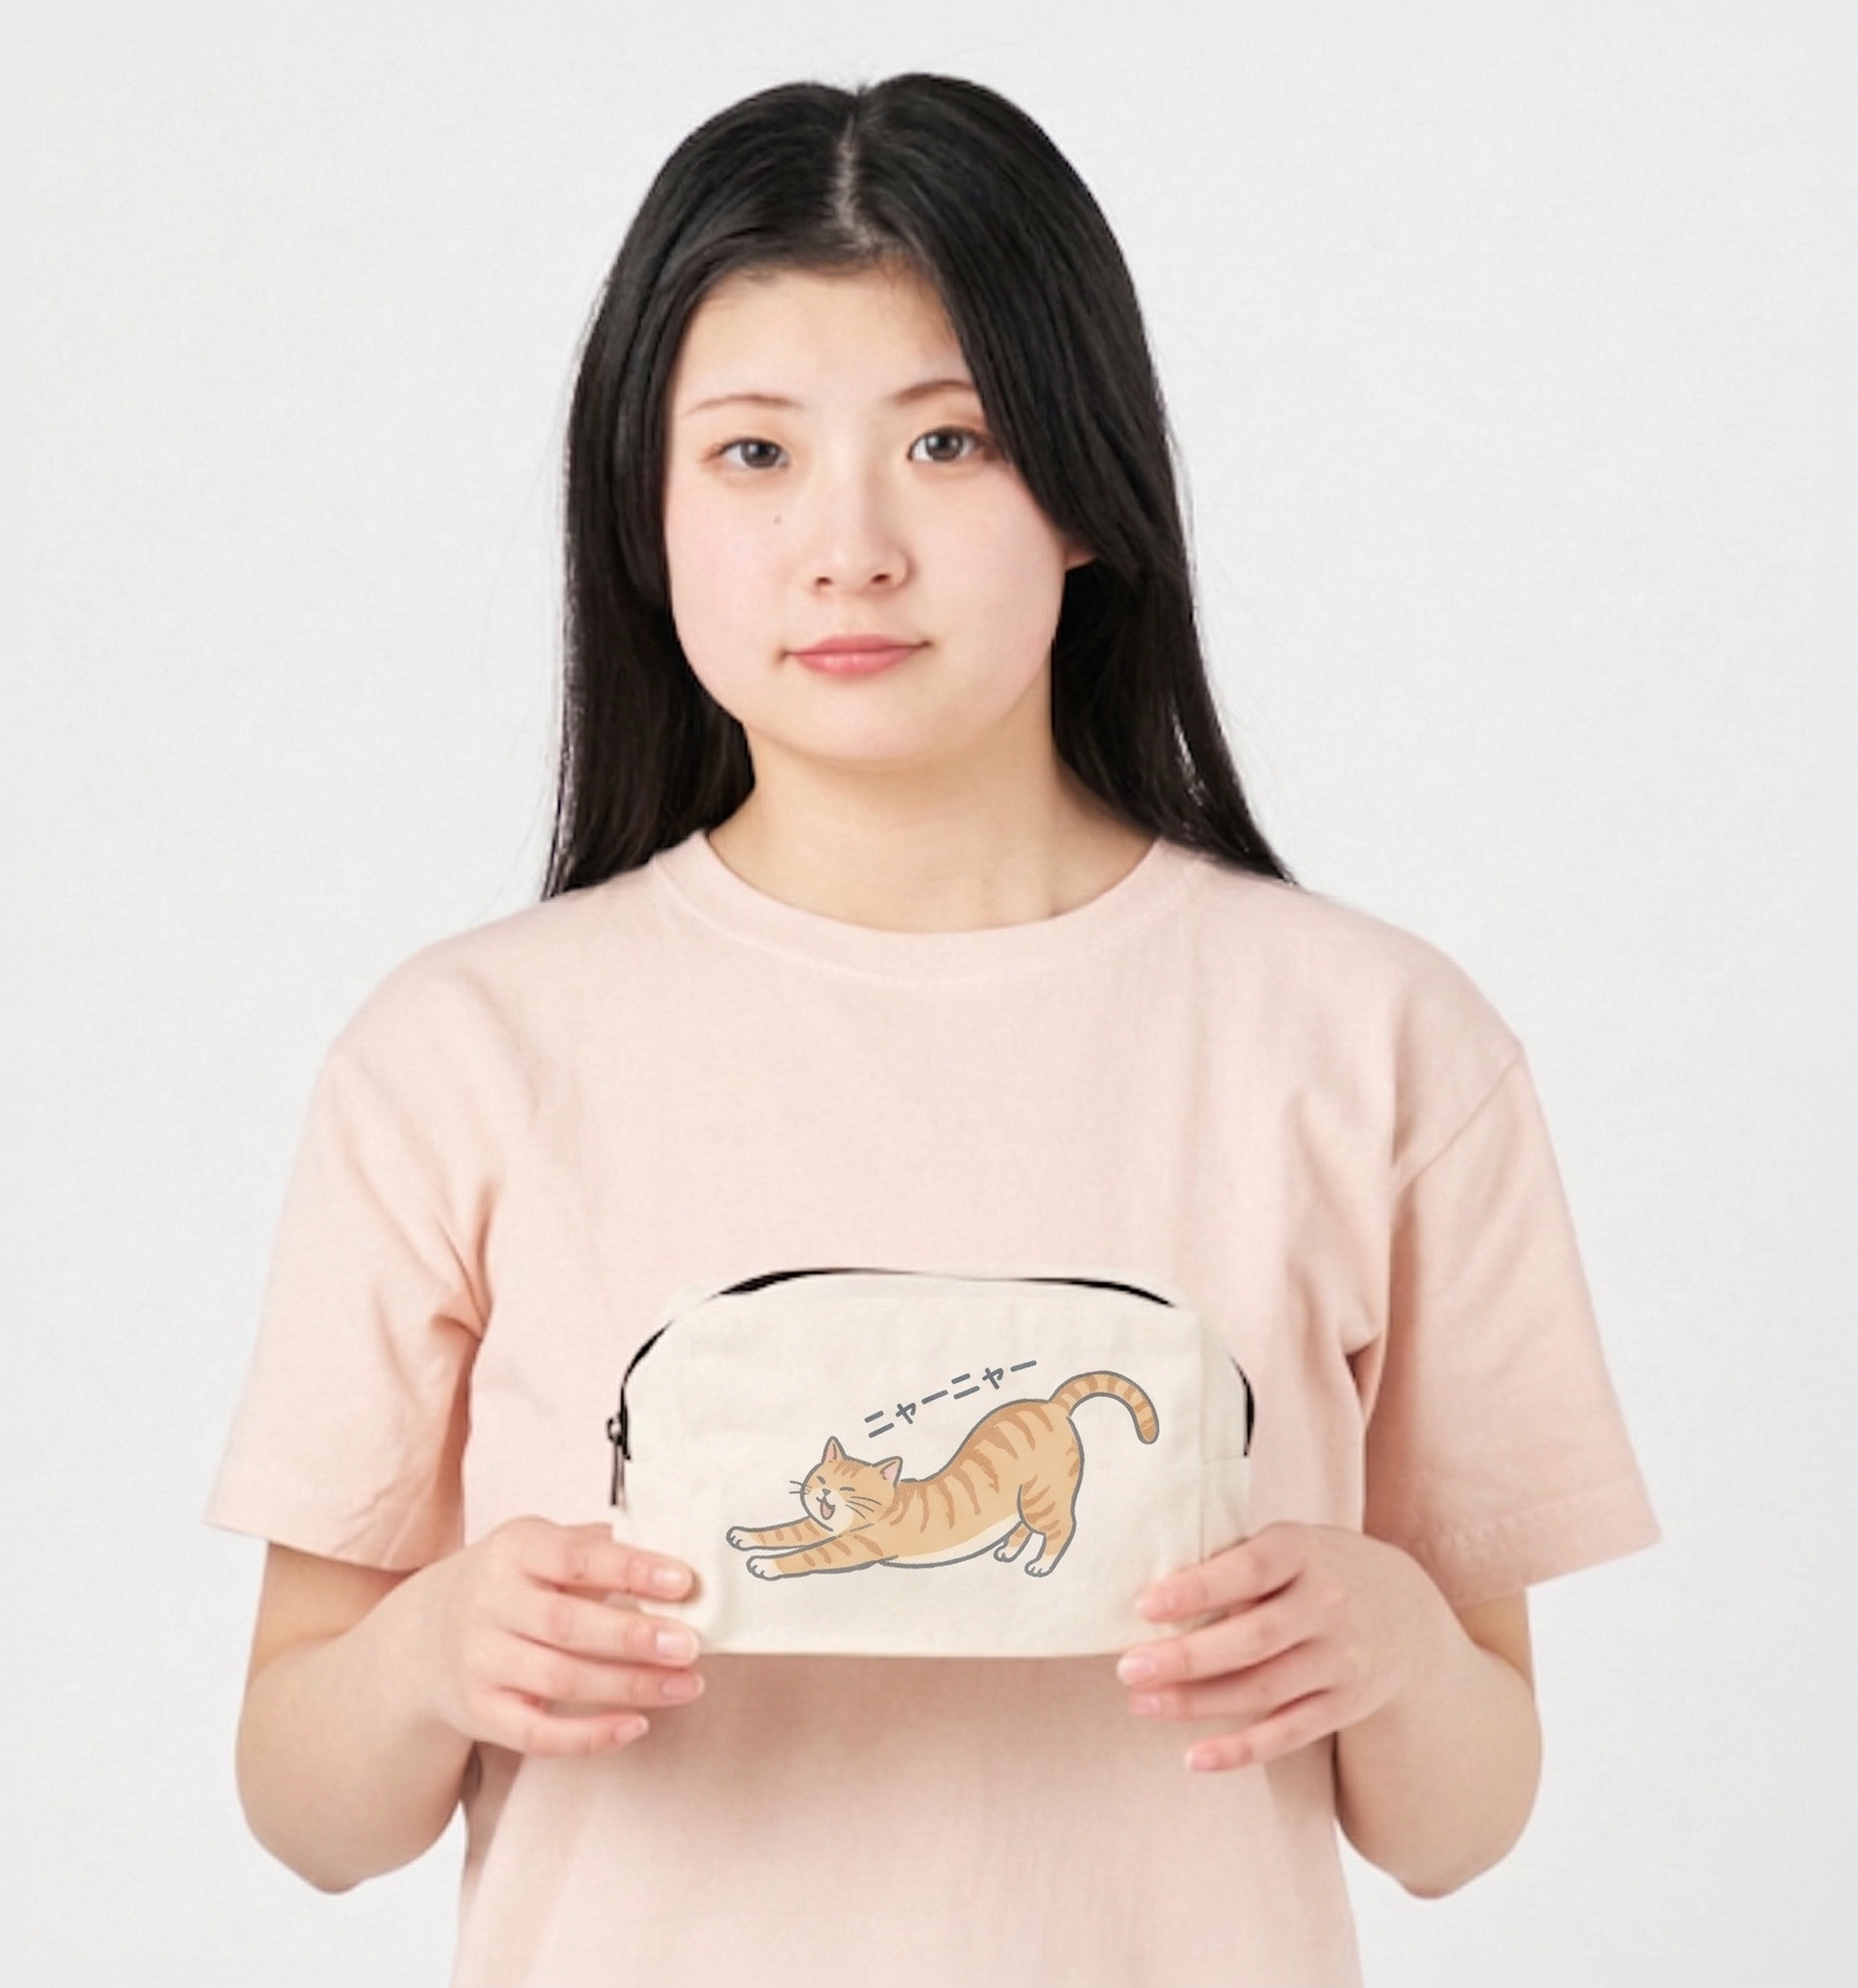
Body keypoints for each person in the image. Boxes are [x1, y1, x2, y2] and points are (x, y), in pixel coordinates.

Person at [206, 72, 1660, 1987]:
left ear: (1086, 487)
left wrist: (1387, 1643)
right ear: (642, 508)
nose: (849, 546)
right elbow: (308, 1805)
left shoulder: (1377, 1043)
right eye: (751, 451)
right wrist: (427, 1652)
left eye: (949, 439)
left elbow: (1457, 1821)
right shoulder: (460, 1054)